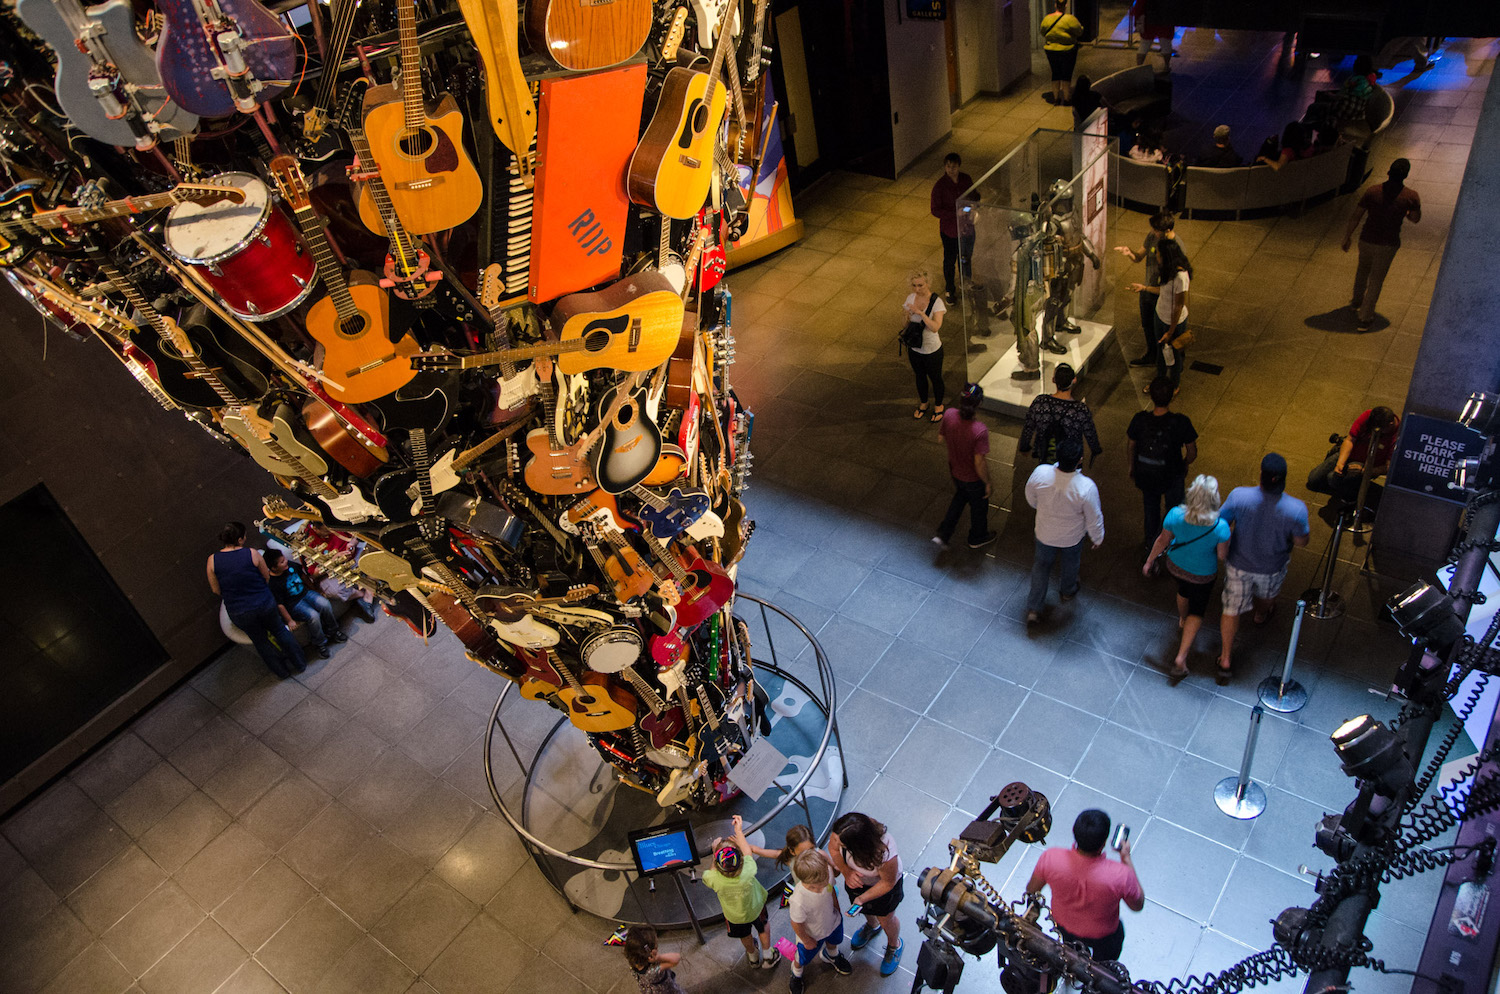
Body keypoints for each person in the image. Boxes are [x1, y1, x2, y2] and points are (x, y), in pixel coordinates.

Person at [1218, 454, 1310, 679]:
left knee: (1230, 610)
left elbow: (1221, 521)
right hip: (1271, 567)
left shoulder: (1239, 496)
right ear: (1284, 480)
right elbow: (1301, 540)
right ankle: (1260, 615)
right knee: (1266, 598)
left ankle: (1226, 658)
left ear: (1261, 475)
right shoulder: (1296, 509)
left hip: (1238, 563)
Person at [1144, 475, 1231, 683]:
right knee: (1197, 611)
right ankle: (1181, 658)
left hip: (1175, 565)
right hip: (1202, 575)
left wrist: (1149, 561)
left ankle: (1182, 619)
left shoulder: (1175, 514)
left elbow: (1162, 540)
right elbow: (1221, 556)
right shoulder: (1220, 527)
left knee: (1183, 591)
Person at [1026, 810, 1144, 961]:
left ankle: (1072, 963)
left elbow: (1031, 890)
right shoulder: (1121, 875)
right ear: (1104, 842)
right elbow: (1137, 905)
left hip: (1064, 924)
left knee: (1070, 950)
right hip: (1104, 935)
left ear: (1074, 832)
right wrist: (1126, 858)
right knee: (1107, 962)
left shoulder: (1050, 858)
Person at [207, 523, 306, 678]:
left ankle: (282, 672)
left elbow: (215, 589)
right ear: (240, 539)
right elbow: (266, 576)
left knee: (260, 641)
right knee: (280, 630)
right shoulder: (251, 554)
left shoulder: (212, 560)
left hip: (239, 610)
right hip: (263, 603)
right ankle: (300, 663)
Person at [1024, 437, 1104, 623]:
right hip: (1072, 537)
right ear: (1080, 460)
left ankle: (1034, 609)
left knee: (1041, 567)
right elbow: (1094, 517)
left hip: (1044, 533)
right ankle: (1067, 590)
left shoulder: (1040, 473)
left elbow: (1031, 497)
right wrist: (1097, 538)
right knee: (1071, 563)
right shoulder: (1086, 487)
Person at [1342, 159, 1421, 331]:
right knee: (1376, 281)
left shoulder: (1372, 191)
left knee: (1362, 271)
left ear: (1388, 172)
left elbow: (1356, 215)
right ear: (1405, 176)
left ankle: (1356, 301)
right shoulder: (1411, 196)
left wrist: (1347, 237)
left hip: (1366, 239)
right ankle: (1364, 318)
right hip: (1388, 244)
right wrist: (1406, 211)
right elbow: (1415, 219)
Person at [828, 812, 904, 976]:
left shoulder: (885, 853)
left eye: (843, 844)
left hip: (883, 888)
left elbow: (887, 883)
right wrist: (847, 872)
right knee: (866, 910)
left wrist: (862, 898)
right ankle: (872, 926)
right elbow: (833, 848)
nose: (836, 843)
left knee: (886, 919)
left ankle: (894, 945)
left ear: (858, 845)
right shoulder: (844, 832)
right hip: (858, 882)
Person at [1127, 376, 1199, 545]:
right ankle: (1170, 542)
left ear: (1151, 396)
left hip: (1146, 474)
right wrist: (1185, 463)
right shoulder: (1181, 422)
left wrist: (1132, 466)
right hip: (1173, 474)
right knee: (1174, 509)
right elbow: (1192, 451)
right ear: (1172, 396)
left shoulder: (1140, 419)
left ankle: (1151, 542)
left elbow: (1131, 445)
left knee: (1150, 508)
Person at [703, 815, 781, 970]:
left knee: (744, 935)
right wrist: (738, 832)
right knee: (763, 927)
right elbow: (748, 852)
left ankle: (753, 957)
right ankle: (768, 955)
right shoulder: (748, 869)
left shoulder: (713, 878)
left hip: (734, 917)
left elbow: (711, 870)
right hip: (756, 909)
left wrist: (715, 851)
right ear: (740, 860)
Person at [1114, 211, 1182, 367]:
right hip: (1147, 290)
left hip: (1162, 295)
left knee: (1161, 329)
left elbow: (1172, 287)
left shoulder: (1176, 249)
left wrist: (1146, 288)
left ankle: (1165, 361)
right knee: (1147, 325)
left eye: (1156, 230)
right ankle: (1152, 354)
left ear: (1167, 231)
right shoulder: (1153, 237)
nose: (1153, 232)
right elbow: (1139, 256)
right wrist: (1129, 253)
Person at [934, 383, 997, 550]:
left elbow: (940, 438)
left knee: (960, 498)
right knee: (979, 508)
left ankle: (944, 533)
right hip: (973, 479)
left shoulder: (949, 414)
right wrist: (987, 482)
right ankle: (977, 537)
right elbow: (979, 462)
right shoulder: (979, 430)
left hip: (955, 471)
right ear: (979, 404)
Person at [1129, 238, 1192, 393]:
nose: (1156, 256)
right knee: (1161, 353)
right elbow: (1163, 291)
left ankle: (1174, 384)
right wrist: (1144, 288)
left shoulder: (1181, 276)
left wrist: (1170, 332)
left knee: (1174, 354)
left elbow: (1178, 305)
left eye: (1158, 254)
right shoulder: (1166, 269)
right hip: (1160, 315)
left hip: (1174, 322)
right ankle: (1159, 380)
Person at [787, 848, 853, 993]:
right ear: (804, 881)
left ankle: (832, 956)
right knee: (802, 958)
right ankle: (796, 974)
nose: (822, 887)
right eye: (815, 887)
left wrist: (837, 910)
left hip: (832, 922)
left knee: (833, 941)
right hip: (812, 935)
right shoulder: (798, 899)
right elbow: (796, 922)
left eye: (824, 882)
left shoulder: (825, 873)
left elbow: (831, 892)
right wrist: (806, 940)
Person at [264, 549, 347, 659]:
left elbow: (304, 577)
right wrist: (289, 620)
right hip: (294, 604)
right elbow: (280, 604)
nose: (286, 562)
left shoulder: (291, 566)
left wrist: (315, 590)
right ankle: (320, 643)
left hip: (306, 593)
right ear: (274, 568)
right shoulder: (273, 584)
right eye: (282, 562)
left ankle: (333, 630)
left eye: (284, 559)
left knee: (324, 604)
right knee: (313, 616)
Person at [1306, 407, 1400, 504]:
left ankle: (1354, 490)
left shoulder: (1398, 438)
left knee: (1332, 478)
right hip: (1350, 453)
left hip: (1364, 464)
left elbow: (1389, 467)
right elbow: (1350, 440)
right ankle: (1350, 485)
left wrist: (1365, 471)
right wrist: (1340, 463)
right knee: (1313, 480)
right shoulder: (1368, 416)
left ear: (1390, 425)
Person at [1018, 363, 1103, 465]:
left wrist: (1024, 447)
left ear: (1054, 380)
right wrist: (1095, 449)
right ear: (1074, 380)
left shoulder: (1041, 401)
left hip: (1046, 454)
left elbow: (1029, 426)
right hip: (1071, 458)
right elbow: (1090, 432)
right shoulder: (1080, 409)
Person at [901, 270, 948, 422]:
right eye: (914, 285)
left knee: (935, 378)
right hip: (915, 348)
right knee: (919, 376)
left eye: (920, 285)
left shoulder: (937, 303)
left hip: (932, 349)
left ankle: (939, 406)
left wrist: (921, 314)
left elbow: (935, 327)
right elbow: (905, 324)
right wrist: (906, 316)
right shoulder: (911, 298)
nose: (917, 289)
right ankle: (924, 403)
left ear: (928, 283)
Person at [930, 152, 975, 304]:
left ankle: (966, 284)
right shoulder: (940, 186)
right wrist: (954, 213)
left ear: (958, 166)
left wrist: (972, 207)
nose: (951, 170)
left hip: (967, 228)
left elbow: (975, 195)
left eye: (954, 167)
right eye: (948, 167)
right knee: (950, 261)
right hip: (950, 231)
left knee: (966, 258)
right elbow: (935, 210)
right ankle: (950, 289)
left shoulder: (966, 179)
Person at [1040, 0, 1084, 105]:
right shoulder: (1070, 19)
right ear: (1066, 5)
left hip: (1051, 50)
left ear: (1055, 5)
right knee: (1066, 74)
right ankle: (1067, 98)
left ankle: (1056, 98)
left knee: (1055, 73)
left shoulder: (1047, 19)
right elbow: (1079, 31)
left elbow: (1042, 32)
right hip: (1068, 50)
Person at [623, 925, 686, 994]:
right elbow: (676, 958)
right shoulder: (653, 971)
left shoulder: (634, 963)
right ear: (651, 951)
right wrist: (659, 957)